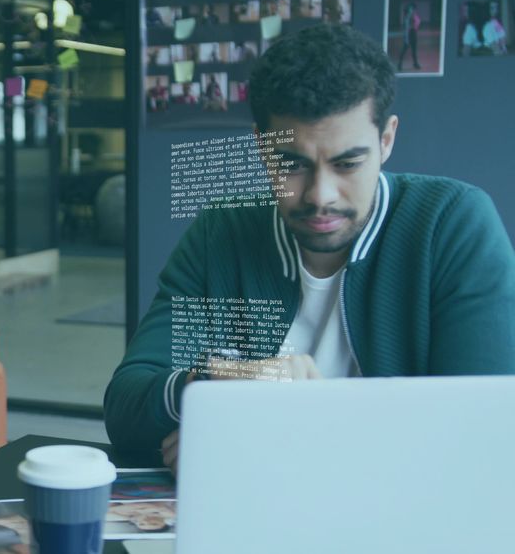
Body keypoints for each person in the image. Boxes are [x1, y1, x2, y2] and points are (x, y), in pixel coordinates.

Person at [103, 24, 515, 471]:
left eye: (348, 163)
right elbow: (125, 408)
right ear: (263, 148)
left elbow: (485, 432)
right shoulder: (221, 233)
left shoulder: (452, 223)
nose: (321, 195)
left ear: (387, 140)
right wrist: (208, 384)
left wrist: (264, 438)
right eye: (293, 164)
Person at [398, 2, 422, 71]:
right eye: (411, 9)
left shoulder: (413, 15)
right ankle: (399, 64)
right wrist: (406, 39)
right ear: (409, 9)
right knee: (404, 50)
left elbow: (417, 23)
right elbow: (406, 30)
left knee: (414, 51)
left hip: (413, 34)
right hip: (409, 35)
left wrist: (416, 23)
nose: (413, 10)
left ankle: (415, 63)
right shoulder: (407, 17)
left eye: (413, 9)